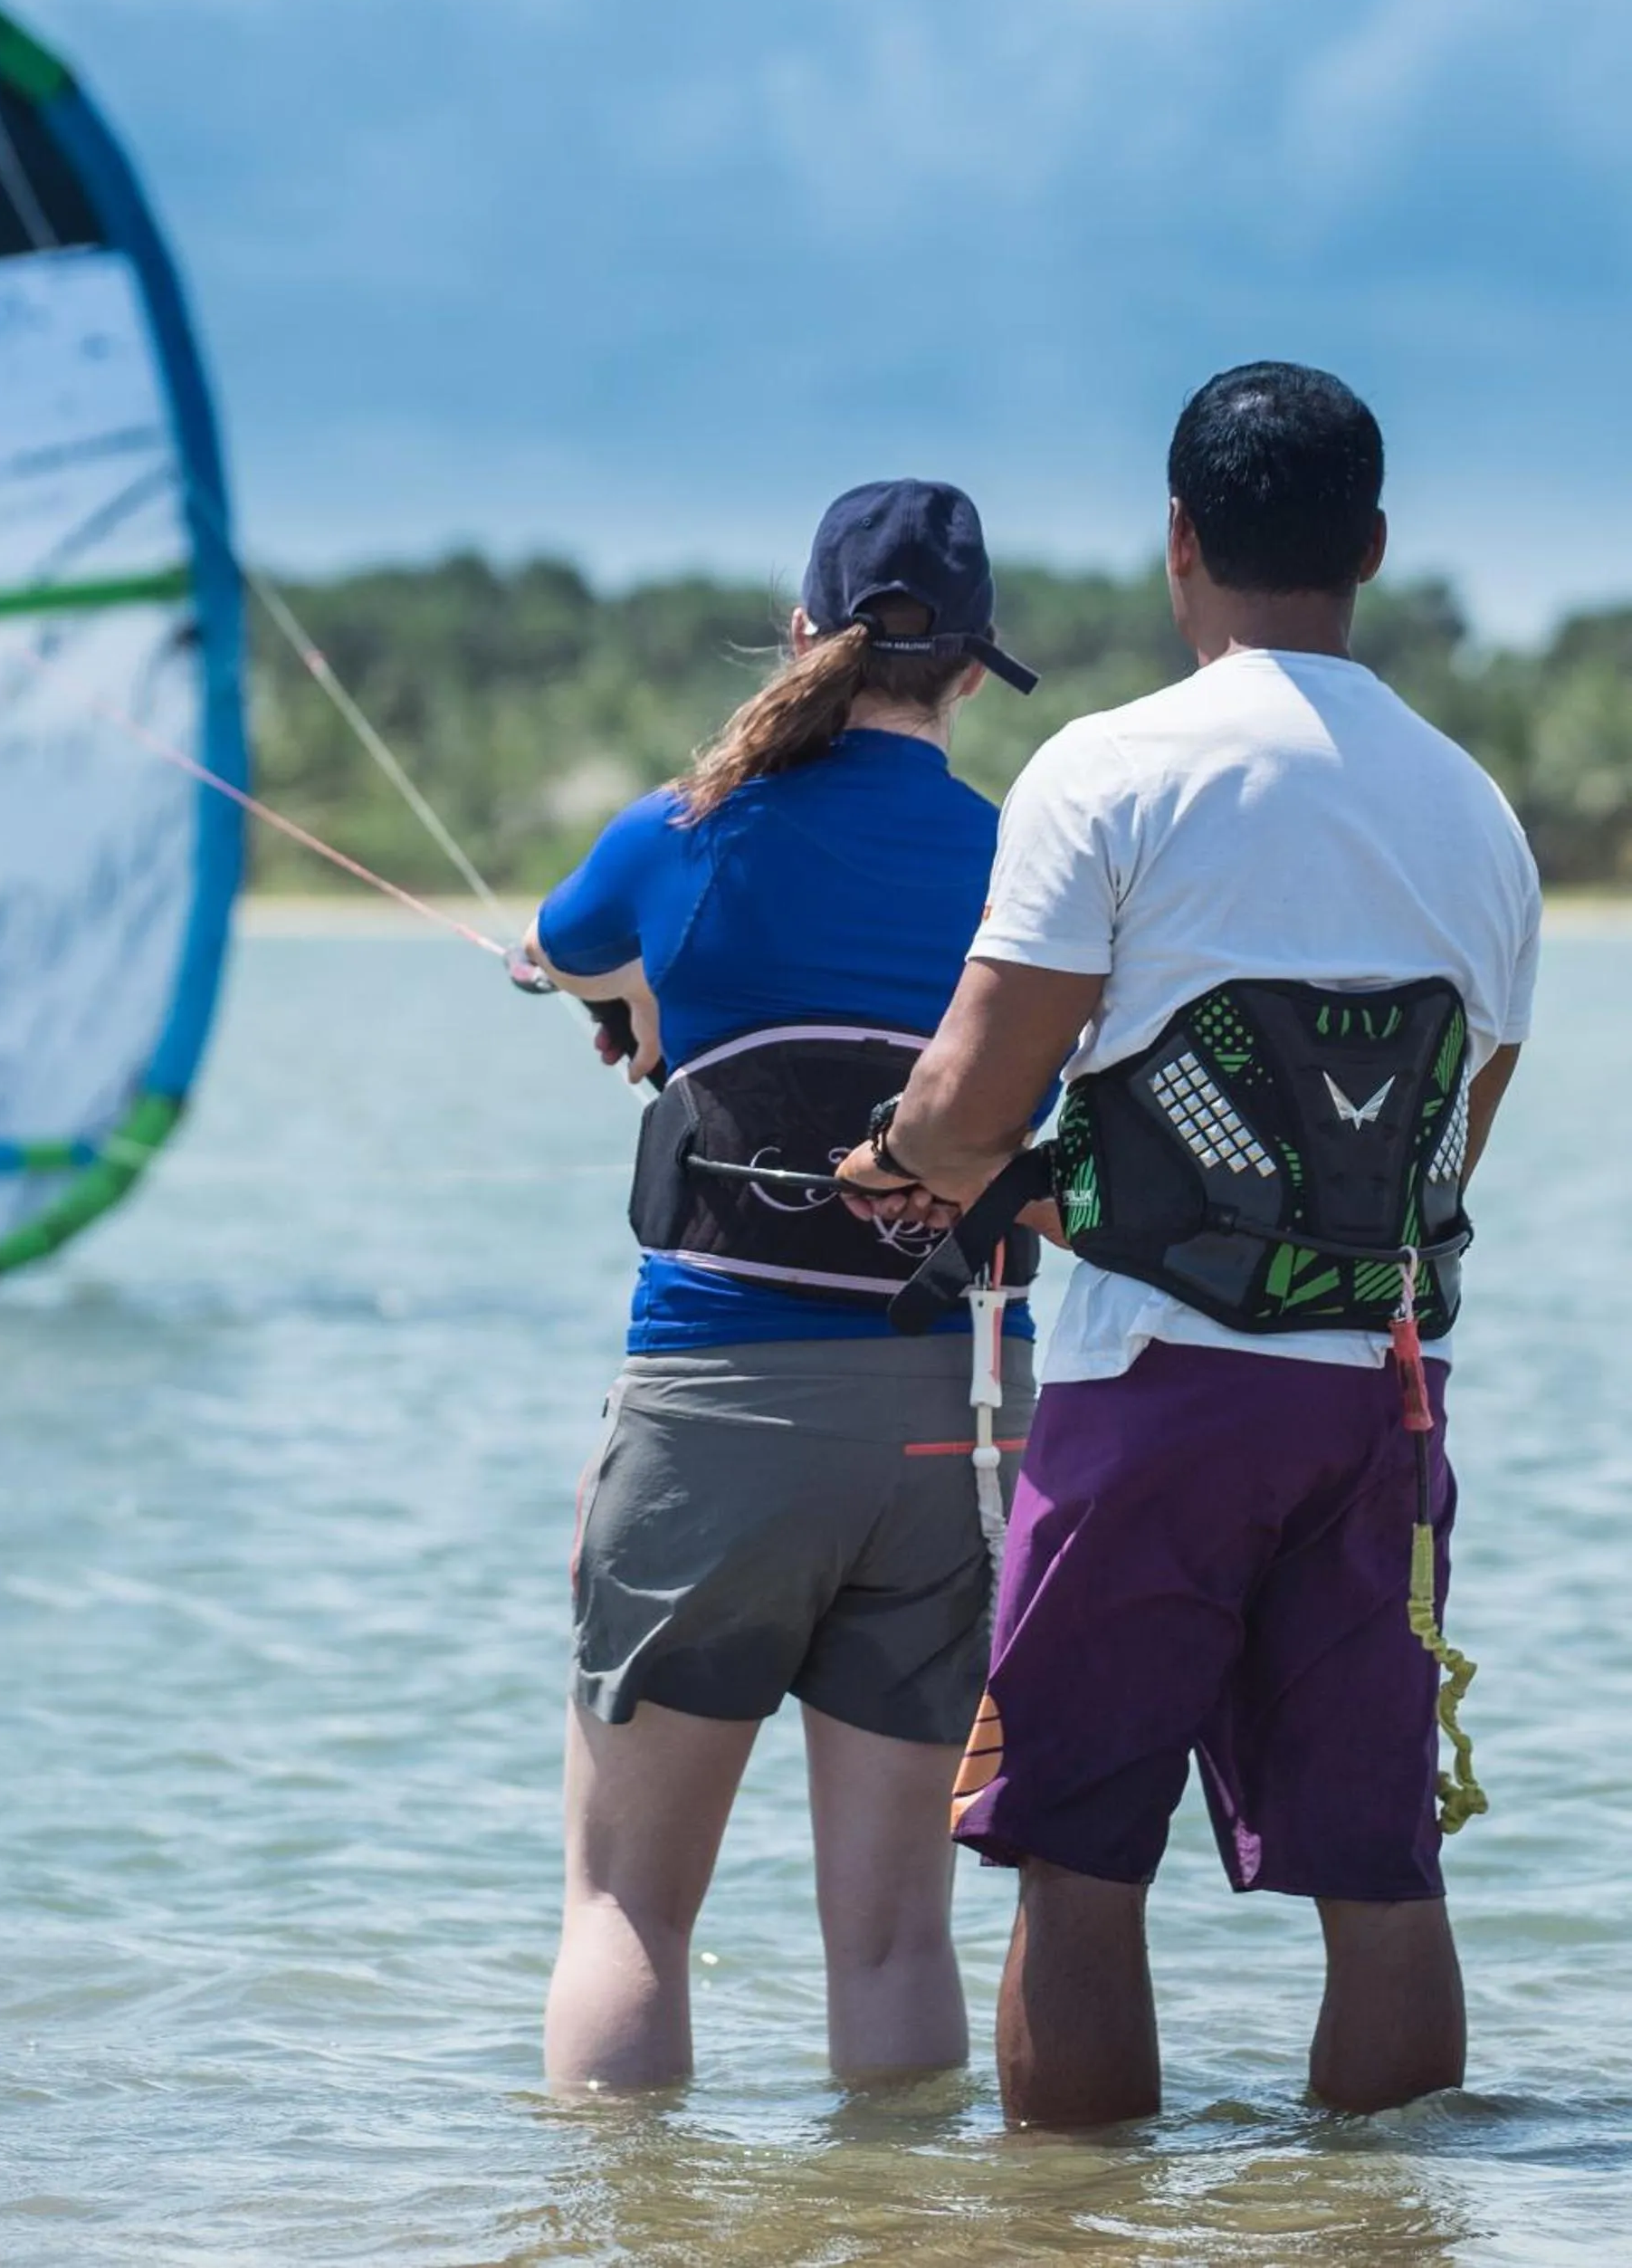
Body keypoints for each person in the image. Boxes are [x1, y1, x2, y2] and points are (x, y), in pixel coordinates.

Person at [838, 363, 1541, 2127]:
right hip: (1384, 1407)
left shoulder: (1108, 770)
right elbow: (1434, 1159)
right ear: (1370, 544)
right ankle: (1378, 2235)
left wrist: (910, 1159)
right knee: (1380, 1878)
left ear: (1176, 542)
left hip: (1144, 1393)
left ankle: (1074, 2241)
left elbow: (967, 1100)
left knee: (1077, 1861)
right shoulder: (1480, 815)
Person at [530, 479, 1043, 2091]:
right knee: (895, 1934)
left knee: (626, 1911)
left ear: (806, 633)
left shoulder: (682, 831)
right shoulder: (1031, 862)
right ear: (972, 672)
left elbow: (569, 949)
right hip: (954, 1429)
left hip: (722, 1417)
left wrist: (647, 1027)